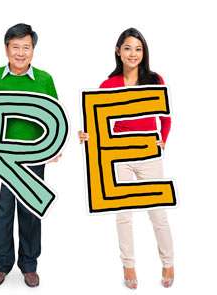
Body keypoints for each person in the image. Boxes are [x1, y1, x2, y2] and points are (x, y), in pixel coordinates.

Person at [77, 27, 174, 289]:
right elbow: (97, 123)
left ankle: (168, 261)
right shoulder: (108, 85)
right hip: (119, 156)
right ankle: (128, 265)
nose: (133, 54)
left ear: (144, 53)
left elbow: (165, 117)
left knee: (158, 213)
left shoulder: (154, 80)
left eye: (138, 49)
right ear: (118, 51)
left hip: (147, 154)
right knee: (123, 213)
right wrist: (87, 136)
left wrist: (162, 139)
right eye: (128, 48)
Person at [0, 23, 58, 288]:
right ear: (6, 48)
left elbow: (56, 116)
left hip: (33, 158)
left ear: (33, 50)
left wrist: (55, 145)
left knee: (30, 212)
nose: (20, 53)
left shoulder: (44, 80)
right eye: (15, 47)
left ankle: (29, 265)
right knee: (0, 212)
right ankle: (1, 264)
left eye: (26, 47)